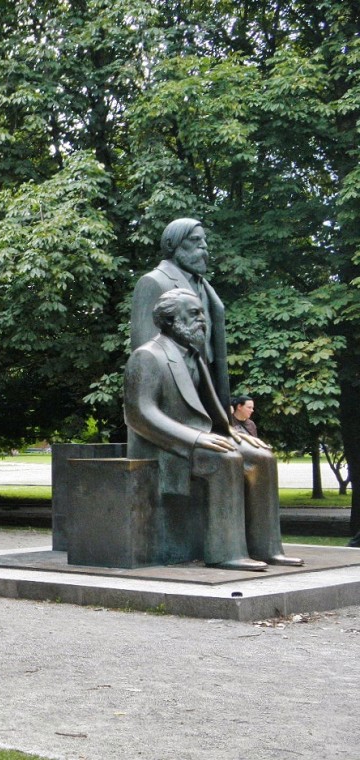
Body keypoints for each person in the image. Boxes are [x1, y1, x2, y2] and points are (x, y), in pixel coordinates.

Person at [124, 288, 302, 571]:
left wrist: (232, 431)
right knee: (226, 460)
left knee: (262, 458)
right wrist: (195, 438)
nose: (202, 320)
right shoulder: (147, 356)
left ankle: (267, 549)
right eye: (194, 313)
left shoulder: (194, 356)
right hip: (164, 444)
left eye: (203, 313)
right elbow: (140, 414)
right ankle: (226, 552)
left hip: (198, 438)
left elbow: (209, 408)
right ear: (169, 319)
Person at [130, 218, 231, 412]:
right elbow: (144, 349)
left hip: (208, 380)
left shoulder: (204, 286)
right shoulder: (154, 281)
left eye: (204, 240)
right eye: (195, 240)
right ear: (171, 244)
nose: (204, 246)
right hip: (176, 385)